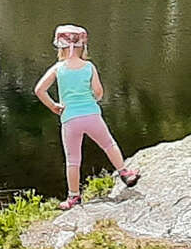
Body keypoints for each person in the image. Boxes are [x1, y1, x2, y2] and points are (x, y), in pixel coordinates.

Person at [33, 24, 140, 209]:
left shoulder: (58, 68)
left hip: (70, 119)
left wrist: (54, 106)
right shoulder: (89, 67)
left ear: (60, 46)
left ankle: (73, 196)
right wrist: (93, 98)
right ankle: (124, 172)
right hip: (92, 115)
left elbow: (39, 90)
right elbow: (98, 92)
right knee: (108, 144)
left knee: (73, 160)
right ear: (83, 46)